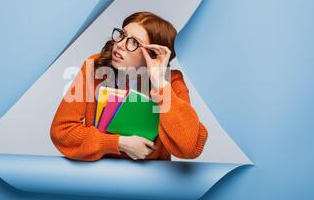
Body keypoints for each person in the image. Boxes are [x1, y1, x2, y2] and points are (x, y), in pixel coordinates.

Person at [50, 11, 208, 161]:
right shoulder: (95, 67)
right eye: (122, 35)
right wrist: (119, 143)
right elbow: (62, 132)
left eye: (133, 43)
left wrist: (160, 84)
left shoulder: (171, 82)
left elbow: (190, 147)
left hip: (150, 183)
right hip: (99, 176)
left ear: (153, 55)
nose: (119, 45)